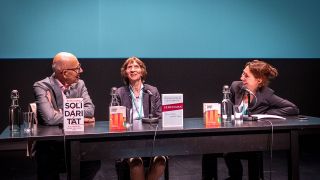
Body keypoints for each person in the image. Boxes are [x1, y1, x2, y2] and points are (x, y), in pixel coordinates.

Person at [202, 60, 299, 180]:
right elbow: (226, 109)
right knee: (208, 149)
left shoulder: (266, 94)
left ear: (258, 80)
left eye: (246, 75)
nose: (241, 77)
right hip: (231, 135)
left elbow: (292, 108)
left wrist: (265, 113)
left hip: (250, 140)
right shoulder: (235, 87)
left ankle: (238, 176)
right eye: (242, 74)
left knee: (235, 153)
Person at [33, 52, 100, 180]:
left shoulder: (80, 84)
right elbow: (49, 118)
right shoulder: (41, 86)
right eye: (77, 68)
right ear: (64, 73)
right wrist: (77, 116)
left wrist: (59, 113)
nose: (81, 70)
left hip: (75, 141)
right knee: (46, 163)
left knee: (94, 160)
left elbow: (90, 110)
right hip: (51, 145)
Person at [114, 56, 166, 180]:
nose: (132, 70)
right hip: (129, 138)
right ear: (125, 72)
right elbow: (116, 118)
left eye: (136, 66)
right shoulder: (119, 93)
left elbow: (159, 116)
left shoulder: (152, 91)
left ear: (142, 71)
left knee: (160, 161)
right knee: (136, 163)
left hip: (151, 137)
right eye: (129, 67)